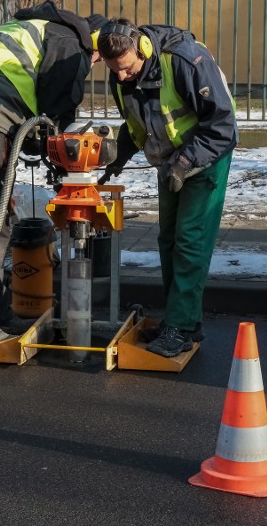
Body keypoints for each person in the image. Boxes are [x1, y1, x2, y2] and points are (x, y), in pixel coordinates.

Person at [0, 1, 108, 350]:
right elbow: (58, 117)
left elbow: (37, 112)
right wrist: (67, 165)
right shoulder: (72, 47)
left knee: (0, 219)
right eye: (98, 60)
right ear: (95, 46)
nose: (93, 66)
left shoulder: (48, 29)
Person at [97, 18, 238, 358]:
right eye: (114, 70)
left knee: (190, 240)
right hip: (170, 161)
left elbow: (223, 126)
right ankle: (184, 321)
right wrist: (119, 157)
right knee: (168, 240)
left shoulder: (186, 61)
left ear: (142, 50)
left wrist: (185, 163)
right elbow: (136, 122)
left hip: (205, 158)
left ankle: (180, 326)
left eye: (127, 69)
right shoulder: (122, 76)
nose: (121, 77)